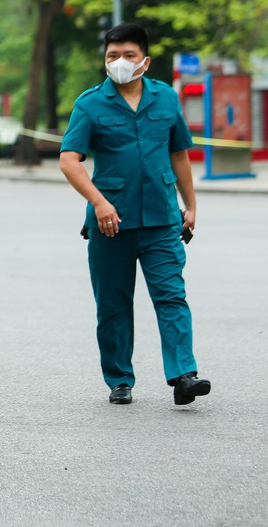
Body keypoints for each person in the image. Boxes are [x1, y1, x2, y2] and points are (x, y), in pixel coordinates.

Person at [59, 22, 211, 406]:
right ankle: (120, 379)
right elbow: (69, 160)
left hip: (162, 217)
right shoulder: (89, 103)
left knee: (172, 296)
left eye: (127, 55)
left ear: (145, 59)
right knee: (113, 304)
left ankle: (183, 376)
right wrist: (98, 202)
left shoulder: (166, 98)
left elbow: (179, 153)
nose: (120, 63)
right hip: (111, 224)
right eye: (112, 56)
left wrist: (190, 205)